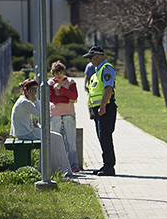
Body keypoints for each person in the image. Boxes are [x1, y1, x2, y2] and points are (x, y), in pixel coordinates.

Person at [10, 78, 73, 177]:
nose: (34, 92)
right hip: (26, 133)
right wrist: (34, 99)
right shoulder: (24, 102)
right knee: (57, 138)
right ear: (26, 90)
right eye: (32, 90)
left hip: (27, 131)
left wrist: (42, 129)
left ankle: (52, 168)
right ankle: (59, 169)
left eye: (35, 89)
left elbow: (32, 120)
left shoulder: (25, 101)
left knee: (55, 137)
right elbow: (40, 113)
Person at [83, 46, 117, 176]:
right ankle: (106, 165)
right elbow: (92, 93)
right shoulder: (96, 72)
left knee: (105, 137)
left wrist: (102, 105)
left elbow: (108, 88)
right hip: (99, 110)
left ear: (97, 56)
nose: (90, 61)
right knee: (102, 138)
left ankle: (109, 167)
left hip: (106, 109)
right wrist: (92, 110)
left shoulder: (106, 68)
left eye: (91, 57)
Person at [48, 61, 80, 172]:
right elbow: (52, 99)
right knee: (55, 141)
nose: (59, 75)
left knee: (71, 141)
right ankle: (56, 165)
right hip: (55, 115)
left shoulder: (70, 82)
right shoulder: (50, 83)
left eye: (61, 72)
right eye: (56, 73)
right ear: (53, 73)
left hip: (69, 115)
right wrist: (67, 99)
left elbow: (74, 96)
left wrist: (61, 90)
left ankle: (74, 164)